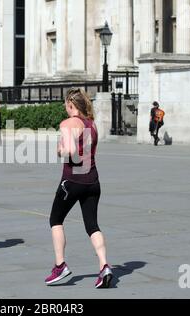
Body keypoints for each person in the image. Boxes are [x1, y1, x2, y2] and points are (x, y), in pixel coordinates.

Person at [45, 88, 113, 289]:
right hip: (93, 181)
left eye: (66, 105)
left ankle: (60, 265)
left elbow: (71, 152)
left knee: (55, 220)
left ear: (70, 104)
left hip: (72, 181)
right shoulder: (92, 125)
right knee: (92, 225)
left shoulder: (68, 123)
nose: (65, 109)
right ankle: (104, 266)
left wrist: (60, 151)